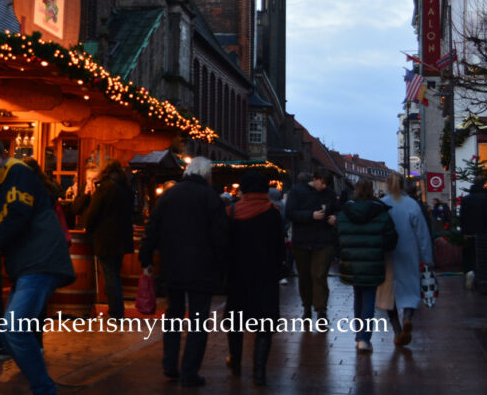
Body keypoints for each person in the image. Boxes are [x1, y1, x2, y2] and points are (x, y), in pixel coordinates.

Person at [0, 138, 74, 395]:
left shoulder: (18, 172)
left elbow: (18, 216)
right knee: (7, 335)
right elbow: (6, 222)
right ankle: (42, 385)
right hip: (28, 265)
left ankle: (45, 390)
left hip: (40, 261)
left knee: (13, 330)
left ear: (3, 158)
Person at [139, 157, 227, 387]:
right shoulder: (210, 198)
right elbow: (220, 237)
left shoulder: (169, 195)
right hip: (202, 267)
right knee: (198, 321)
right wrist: (222, 266)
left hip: (173, 264)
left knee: (173, 317)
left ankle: (169, 364)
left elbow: (153, 228)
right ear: (207, 175)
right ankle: (189, 371)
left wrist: (146, 256)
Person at [224, 171, 283, 386]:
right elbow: (279, 248)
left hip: (238, 276)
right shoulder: (273, 214)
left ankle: (236, 363)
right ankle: (259, 372)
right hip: (265, 276)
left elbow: (224, 246)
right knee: (264, 325)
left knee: (235, 323)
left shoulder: (230, 213)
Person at [333, 178, 397, 353]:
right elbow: (391, 237)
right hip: (373, 260)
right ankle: (364, 338)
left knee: (357, 296)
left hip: (351, 261)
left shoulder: (345, 212)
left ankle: (358, 335)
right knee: (369, 298)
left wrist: (342, 252)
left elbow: (336, 234)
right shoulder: (381, 211)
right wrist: (381, 248)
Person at [380, 173, 434, 346]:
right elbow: (422, 234)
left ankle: (397, 331)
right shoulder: (412, 205)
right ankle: (408, 318)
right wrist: (426, 257)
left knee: (389, 294)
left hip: (387, 253)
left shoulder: (382, 204)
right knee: (410, 288)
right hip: (409, 251)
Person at [81, 161, 134, 319]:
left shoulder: (105, 187)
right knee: (114, 274)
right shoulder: (125, 187)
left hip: (106, 237)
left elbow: (93, 212)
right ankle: (118, 310)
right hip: (122, 237)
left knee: (110, 275)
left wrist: (88, 227)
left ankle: (115, 312)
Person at [285, 168, 338, 321]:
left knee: (319, 276)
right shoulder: (297, 191)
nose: (323, 187)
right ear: (315, 178)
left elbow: (338, 209)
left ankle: (321, 311)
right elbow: (290, 213)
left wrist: (334, 217)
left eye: (326, 184)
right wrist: (310, 216)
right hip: (302, 242)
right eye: (322, 183)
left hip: (323, 241)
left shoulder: (329, 193)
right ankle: (307, 307)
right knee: (305, 277)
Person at [459, 178, 487, 284]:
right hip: (483, 232)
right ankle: (481, 275)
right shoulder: (486, 198)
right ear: (483, 185)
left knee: (470, 253)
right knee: (482, 254)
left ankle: (471, 272)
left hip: (469, 232)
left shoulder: (466, 199)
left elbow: (462, 216)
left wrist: (464, 231)